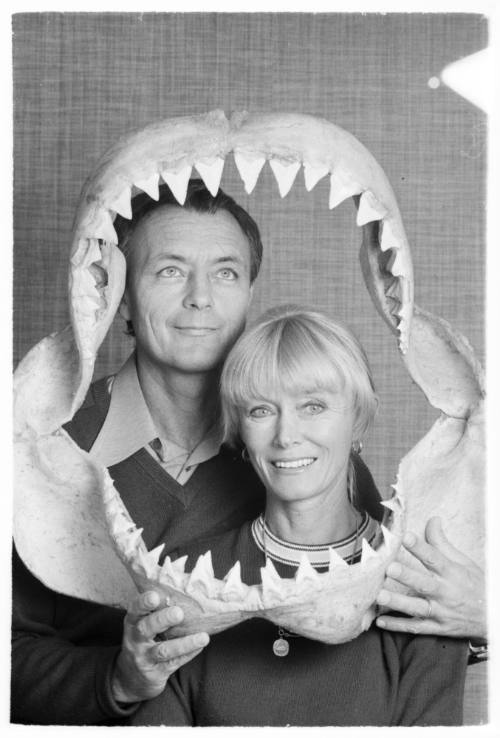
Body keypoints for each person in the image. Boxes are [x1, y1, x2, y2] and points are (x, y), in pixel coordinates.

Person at [11, 181, 381, 725]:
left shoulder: (302, 454)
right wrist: (117, 679)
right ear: (119, 298)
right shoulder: (40, 452)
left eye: (226, 272)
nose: (200, 297)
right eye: (170, 270)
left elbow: (378, 623)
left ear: (249, 293)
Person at [130, 305, 468, 727]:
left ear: (359, 418)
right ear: (240, 430)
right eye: (261, 410)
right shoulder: (187, 577)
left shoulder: (417, 590)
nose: (286, 436)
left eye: (312, 406)